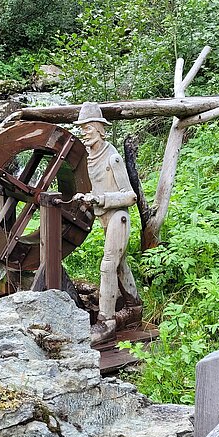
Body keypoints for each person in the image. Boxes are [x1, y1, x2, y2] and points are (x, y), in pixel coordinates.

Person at [73, 102, 142, 345]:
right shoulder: (90, 157)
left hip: (118, 217)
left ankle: (106, 322)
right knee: (120, 264)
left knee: (108, 264)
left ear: (100, 129)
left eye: (88, 128)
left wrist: (100, 199)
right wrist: (85, 198)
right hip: (104, 217)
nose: (84, 132)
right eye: (82, 128)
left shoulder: (112, 158)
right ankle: (135, 307)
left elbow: (130, 196)